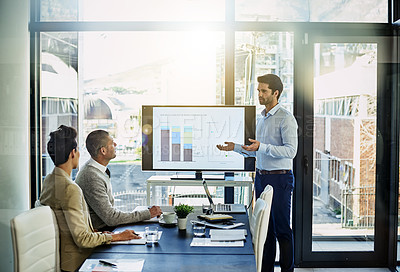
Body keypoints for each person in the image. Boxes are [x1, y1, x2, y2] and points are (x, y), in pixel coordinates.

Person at [217, 74, 298, 272]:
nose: (260, 95)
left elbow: (291, 151)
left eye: (264, 91)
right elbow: (255, 149)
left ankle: (288, 271)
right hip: (261, 177)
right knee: (266, 231)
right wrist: (234, 147)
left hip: (279, 178)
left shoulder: (286, 118)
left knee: (282, 230)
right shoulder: (260, 118)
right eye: (259, 90)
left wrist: (262, 147)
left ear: (275, 93)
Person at [39, 125, 139, 272]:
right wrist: (116, 237)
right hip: (78, 261)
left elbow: (69, 227)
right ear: (73, 153)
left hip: (61, 256)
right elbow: (83, 239)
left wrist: (98, 234)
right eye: (78, 150)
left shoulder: (49, 180)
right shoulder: (70, 189)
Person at [76, 129, 162, 231]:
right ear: (103, 151)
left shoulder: (94, 170)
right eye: (112, 143)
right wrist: (148, 214)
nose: (116, 144)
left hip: (108, 230)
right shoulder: (91, 177)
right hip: (103, 234)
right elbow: (111, 218)